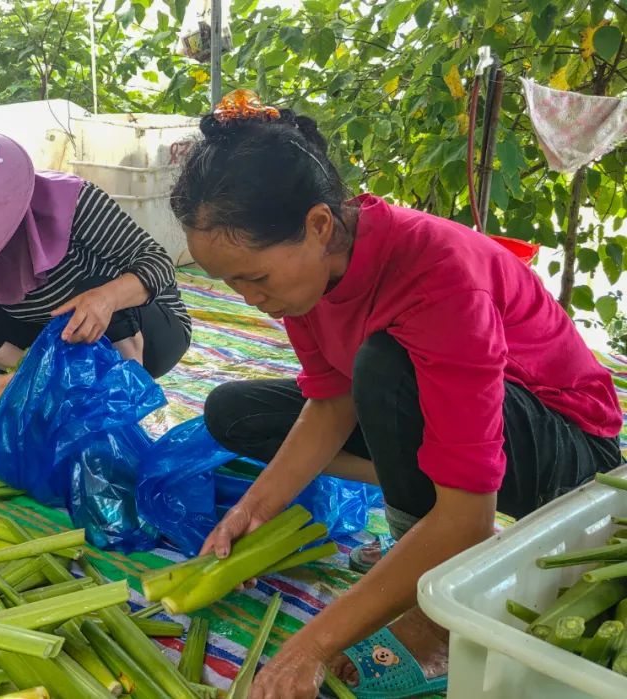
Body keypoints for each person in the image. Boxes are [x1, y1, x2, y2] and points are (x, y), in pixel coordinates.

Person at [168, 90, 623, 699]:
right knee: (234, 409)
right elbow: (330, 400)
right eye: (228, 283)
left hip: (567, 449)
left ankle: (433, 599)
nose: (250, 298)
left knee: (384, 365)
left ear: (318, 225)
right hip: (436, 416)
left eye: (253, 278)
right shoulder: (308, 277)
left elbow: (469, 517)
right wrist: (254, 509)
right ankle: (424, 514)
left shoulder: (437, 276)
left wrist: (311, 645)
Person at [0, 125, 192, 399]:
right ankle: (47, 389)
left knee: (96, 289)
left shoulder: (72, 202)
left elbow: (157, 263)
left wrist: (107, 298)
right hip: (59, 339)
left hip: (146, 332)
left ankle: (123, 396)